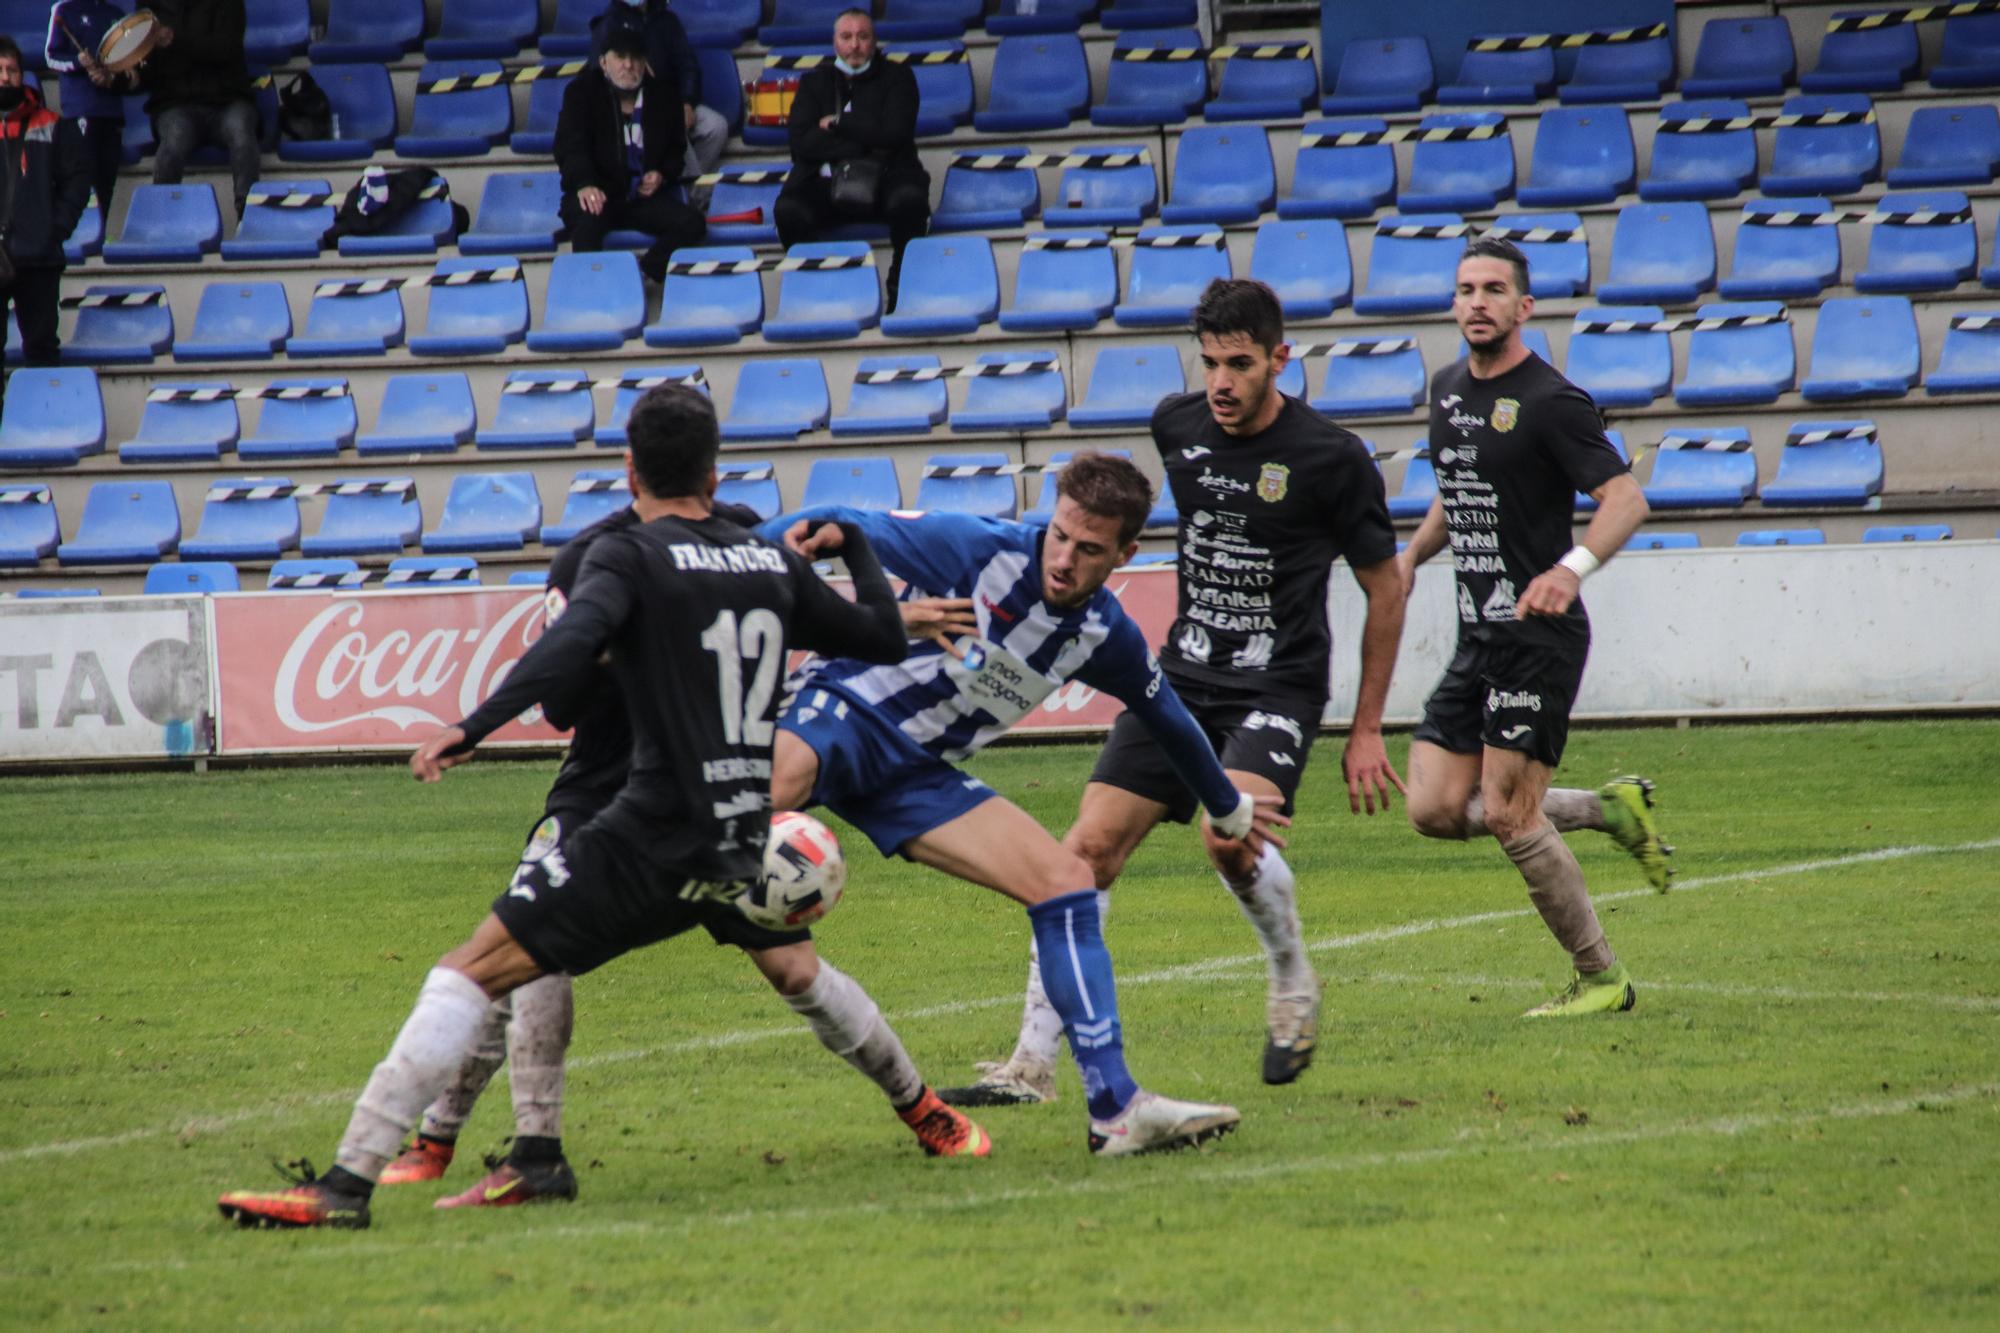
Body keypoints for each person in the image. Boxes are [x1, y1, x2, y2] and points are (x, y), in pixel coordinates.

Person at [215, 386, 965, 1230]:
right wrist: (858, 541)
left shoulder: (624, 556)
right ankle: (507, 1153)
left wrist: (473, 725)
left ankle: (348, 1186)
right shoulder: (766, 559)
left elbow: (569, 647)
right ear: (716, 471)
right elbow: (878, 632)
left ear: (628, 468)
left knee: (471, 968)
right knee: (595, 963)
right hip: (736, 838)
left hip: (649, 829)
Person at [378, 502, 994, 1209]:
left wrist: (885, 613)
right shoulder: (595, 558)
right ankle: (473, 1143)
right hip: (601, 794)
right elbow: (564, 705)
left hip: (713, 800)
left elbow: (820, 624)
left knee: (796, 968)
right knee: (524, 951)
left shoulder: (741, 550)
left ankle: (922, 1107)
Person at [946, 280, 1407, 1107]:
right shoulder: (1177, 426)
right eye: (1211, 364)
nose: (1222, 383)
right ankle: (1028, 1067)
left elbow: (1387, 588)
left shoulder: (1333, 459)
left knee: (1227, 841)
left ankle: (1292, 980)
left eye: (1240, 364)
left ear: (1279, 359)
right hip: (1180, 680)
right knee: (1079, 856)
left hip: (1277, 685)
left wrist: (1366, 726)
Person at [757, 452, 1291, 1156]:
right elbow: (846, 521)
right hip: (846, 711)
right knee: (747, 808)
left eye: (1090, 548)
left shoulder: (1104, 633)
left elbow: (1167, 716)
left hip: (915, 773)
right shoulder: (978, 546)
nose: (1065, 558)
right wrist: (776, 546)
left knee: (1065, 881)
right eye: (1061, 535)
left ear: (1125, 553)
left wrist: (1227, 808)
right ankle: (601, 871)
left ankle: (1115, 1108)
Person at [1397, 235, 1673, 1019]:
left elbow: (1626, 499)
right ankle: (1606, 809)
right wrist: (1412, 554)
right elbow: (1460, 489)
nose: (1476, 301)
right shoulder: (1448, 389)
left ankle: (1602, 977)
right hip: (1478, 635)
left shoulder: (1553, 401)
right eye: (1465, 288)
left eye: (1493, 289)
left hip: (1539, 638)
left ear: (1525, 306)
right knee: (1435, 809)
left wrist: (1569, 569)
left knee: (1511, 811)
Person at [775, 8, 929, 309]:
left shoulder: (899, 77)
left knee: (910, 200)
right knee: (788, 209)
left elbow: (896, 134)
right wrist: (865, 141)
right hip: (826, 182)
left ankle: (901, 283)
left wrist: (839, 124)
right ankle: (820, 289)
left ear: (874, 41)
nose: (855, 45)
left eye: (863, 36)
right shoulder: (813, 83)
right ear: (835, 42)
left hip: (888, 177)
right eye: (846, 37)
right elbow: (802, 141)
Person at [556, 27, 705, 283]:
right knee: (586, 227)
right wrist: (585, 183)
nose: (628, 65)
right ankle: (593, 290)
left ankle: (643, 274)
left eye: (636, 58)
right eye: (620, 57)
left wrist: (661, 173)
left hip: (641, 198)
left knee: (692, 223)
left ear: (645, 63)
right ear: (604, 62)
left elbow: (675, 149)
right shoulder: (581, 92)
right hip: (598, 193)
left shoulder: (664, 95)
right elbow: (570, 146)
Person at [0, 38, 90, 415]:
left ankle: (44, 426)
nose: (5, 78)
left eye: (11, 70)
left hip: (38, 258)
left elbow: (77, 183)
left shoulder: (52, 125)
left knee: (40, 349)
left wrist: (54, 229)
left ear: (23, 75)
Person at [139, 0, 261, 217]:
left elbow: (225, 47)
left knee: (241, 133)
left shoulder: (230, 4)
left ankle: (249, 215)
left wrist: (174, 40)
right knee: (173, 142)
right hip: (175, 104)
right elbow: (146, 70)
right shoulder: (151, 7)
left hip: (228, 101)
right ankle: (161, 219)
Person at [591, 0, 729, 186]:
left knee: (716, 127)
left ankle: (684, 189)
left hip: (674, 99)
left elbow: (688, 66)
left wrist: (687, 102)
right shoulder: (609, 24)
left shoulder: (668, 21)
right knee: (673, 130)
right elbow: (599, 75)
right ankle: (696, 199)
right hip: (636, 108)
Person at [45, 0, 138, 228]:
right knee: (82, 179)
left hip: (111, 111)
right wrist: (78, 61)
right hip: (80, 110)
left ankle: (100, 231)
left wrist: (112, 79)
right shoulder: (64, 9)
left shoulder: (116, 15)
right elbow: (51, 57)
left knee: (106, 180)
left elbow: (131, 68)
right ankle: (78, 232)